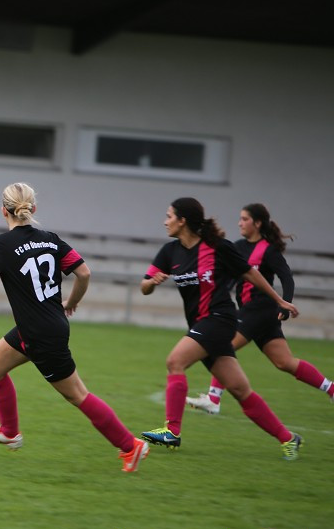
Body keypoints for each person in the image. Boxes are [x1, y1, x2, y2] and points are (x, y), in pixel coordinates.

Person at [0, 183, 150, 473]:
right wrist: (71, 302)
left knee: (77, 395)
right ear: (33, 209)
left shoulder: (1, 245)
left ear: (3, 211)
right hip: (41, 327)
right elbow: (84, 272)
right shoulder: (50, 239)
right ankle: (10, 432)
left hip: (40, 335)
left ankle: (130, 446)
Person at [140, 197, 302, 460]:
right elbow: (144, 286)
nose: (165, 221)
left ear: (183, 221)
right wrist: (153, 283)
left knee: (175, 361)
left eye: (169, 216)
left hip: (219, 319)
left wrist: (279, 299)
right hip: (202, 325)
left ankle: (172, 431)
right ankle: (289, 438)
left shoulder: (217, 247)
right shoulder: (170, 252)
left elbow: (250, 273)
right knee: (240, 389)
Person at [187, 203, 332, 414]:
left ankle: (213, 399)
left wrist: (285, 302)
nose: (240, 223)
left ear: (257, 223)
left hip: (260, 309)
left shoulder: (268, 250)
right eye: (240, 218)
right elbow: (229, 275)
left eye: (244, 219)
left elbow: (286, 277)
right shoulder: (237, 247)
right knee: (284, 362)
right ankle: (332, 389)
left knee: (221, 344)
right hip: (255, 313)